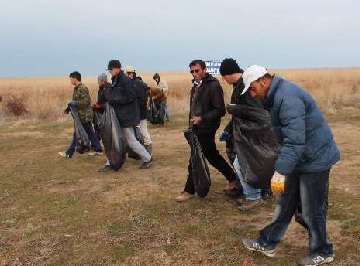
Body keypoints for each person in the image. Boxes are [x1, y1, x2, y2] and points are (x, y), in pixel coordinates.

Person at [241, 65, 340, 266]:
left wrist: (280, 171)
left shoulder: (287, 97)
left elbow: (295, 140)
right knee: (285, 203)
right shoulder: (275, 96)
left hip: (315, 159)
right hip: (299, 158)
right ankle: (268, 242)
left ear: (263, 80)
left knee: (312, 211)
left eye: (252, 88)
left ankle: (323, 251)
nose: (252, 94)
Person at [175, 59, 238, 202]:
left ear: (204, 70)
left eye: (197, 70)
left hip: (207, 127)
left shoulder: (213, 86)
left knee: (195, 158)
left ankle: (189, 190)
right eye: (191, 71)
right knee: (212, 156)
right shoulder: (195, 86)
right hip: (196, 128)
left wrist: (202, 118)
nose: (194, 74)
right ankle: (233, 178)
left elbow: (220, 110)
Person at [219, 58, 265, 211]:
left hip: (250, 133)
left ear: (231, 73)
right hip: (244, 131)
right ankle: (257, 192)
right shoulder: (238, 85)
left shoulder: (246, 86)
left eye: (224, 75)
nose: (223, 79)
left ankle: (254, 197)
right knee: (247, 164)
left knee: (244, 164)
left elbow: (254, 112)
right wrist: (228, 129)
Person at [106, 60, 153, 169]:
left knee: (131, 141)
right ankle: (111, 162)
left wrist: (115, 99)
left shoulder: (125, 80)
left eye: (111, 69)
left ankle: (148, 158)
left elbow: (130, 96)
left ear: (117, 68)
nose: (110, 71)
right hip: (122, 115)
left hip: (126, 116)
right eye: (109, 69)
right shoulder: (116, 80)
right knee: (117, 140)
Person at [59, 71, 103, 158]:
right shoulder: (76, 88)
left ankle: (68, 153)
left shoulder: (82, 88)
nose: (70, 81)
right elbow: (75, 101)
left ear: (75, 78)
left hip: (84, 116)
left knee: (77, 134)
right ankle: (98, 149)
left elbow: (86, 101)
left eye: (71, 79)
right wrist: (69, 108)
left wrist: (74, 103)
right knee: (90, 132)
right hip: (80, 115)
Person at [124, 66, 152, 155]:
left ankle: (148, 153)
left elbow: (141, 100)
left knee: (143, 131)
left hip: (140, 113)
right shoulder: (131, 83)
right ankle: (141, 152)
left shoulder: (137, 84)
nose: (126, 75)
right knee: (138, 132)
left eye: (127, 73)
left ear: (131, 73)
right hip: (136, 113)